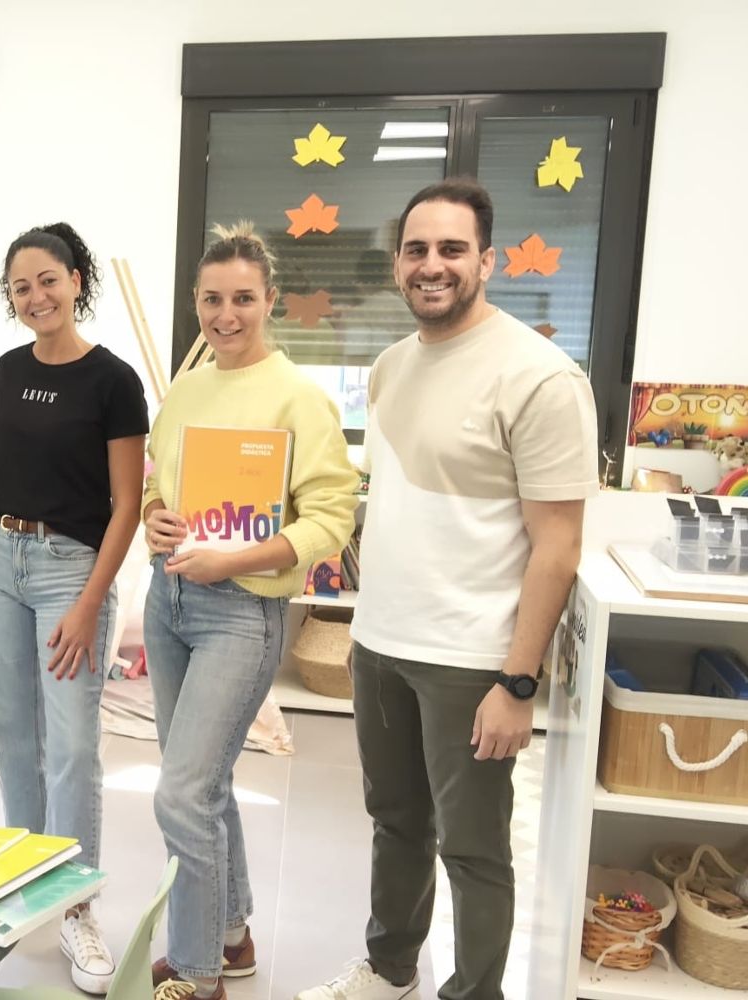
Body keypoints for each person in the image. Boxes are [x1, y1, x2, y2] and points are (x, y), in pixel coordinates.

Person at [297, 178, 597, 1000]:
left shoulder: (540, 378)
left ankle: (474, 993)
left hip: (471, 660)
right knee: (396, 824)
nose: (433, 266)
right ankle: (391, 968)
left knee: (472, 850)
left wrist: (517, 682)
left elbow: (559, 547)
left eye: (452, 249)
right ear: (398, 263)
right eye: (417, 250)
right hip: (380, 644)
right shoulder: (394, 366)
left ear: (486, 260)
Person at [141, 224, 358, 1000]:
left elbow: (332, 520)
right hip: (168, 602)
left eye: (242, 299)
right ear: (195, 302)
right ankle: (230, 939)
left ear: (270, 301)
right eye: (210, 299)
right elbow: (156, 487)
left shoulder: (298, 398)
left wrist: (233, 559)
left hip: (241, 612)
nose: (225, 315)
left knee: (180, 792)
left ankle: (195, 974)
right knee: (203, 785)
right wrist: (155, 518)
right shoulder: (187, 387)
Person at [0, 223, 149, 995]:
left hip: (72, 567)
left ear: (76, 281)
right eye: (20, 286)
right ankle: (22, 877)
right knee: (11, 734)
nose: (35, 296)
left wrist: (91, 603)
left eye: (48, 280)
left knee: (70, 745)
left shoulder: (113, 381)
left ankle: (75, 904)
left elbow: (127, 506)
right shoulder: (7, 368)